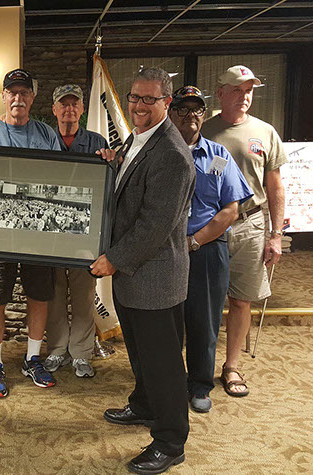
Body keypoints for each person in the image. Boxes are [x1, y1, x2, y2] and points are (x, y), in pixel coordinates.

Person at [90, 67, 195, 474]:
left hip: (155, 278)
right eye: (135, 97)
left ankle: (170, 441)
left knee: (163, 363)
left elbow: (155, 224)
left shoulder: (171, 154)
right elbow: (128, 192)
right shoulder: (138, 139)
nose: (138, 105)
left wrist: (114, 259)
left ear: (166, 102)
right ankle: (144, 404)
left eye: (149, 99)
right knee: (140, 352)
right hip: (135, 278)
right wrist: (110, 165)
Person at [0, 68, 61, 397]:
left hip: (37, 232)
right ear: (4, 96)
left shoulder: (46, 134)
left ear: (32, 98)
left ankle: (32, 358)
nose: (18, 98)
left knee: (39, 296)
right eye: (12, 92)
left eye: (24, 92)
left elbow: (59, 178)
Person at [202, 65, 287, 397]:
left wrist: (276, 235)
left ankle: (232, 367)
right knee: (206, 301)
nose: (244, 96)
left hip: (250, 224)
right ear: (221, 92)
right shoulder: (205, 130)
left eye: (249, 90)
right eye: (237, 90)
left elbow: (275, 188)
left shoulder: (265, 132)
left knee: (241, 300)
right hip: (211, 224)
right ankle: (200, 368)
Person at [168, 85, 253, 413]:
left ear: (204, 115)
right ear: (171, 113)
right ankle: (169, 383)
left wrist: (195, 241)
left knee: (204, 321)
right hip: (165, 250)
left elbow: (230, 210)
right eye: (183, 109)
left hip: (205, 249)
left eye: (197, 109)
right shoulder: (159, 152)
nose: (190, 115)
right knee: (167, 320)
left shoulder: (219, 155)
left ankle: (200, 384)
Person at [44, 84, 107, 378]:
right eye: (63, 104)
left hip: (85, 230)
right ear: (54, 109)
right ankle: (57, 349)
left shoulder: (96, 141)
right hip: (50, 230)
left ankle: (81, 353)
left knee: (83, 293)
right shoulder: (44, 140)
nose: (69, 109)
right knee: (54, 292)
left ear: (82, 109)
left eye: (74, 104)